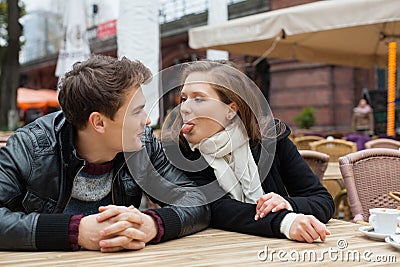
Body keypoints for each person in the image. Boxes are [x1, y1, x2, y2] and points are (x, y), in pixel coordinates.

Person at [0, 55, 209, 252]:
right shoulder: (31, 147)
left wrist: (153, 224)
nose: (147, 121)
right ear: (99, 122)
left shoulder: (143, 144)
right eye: (137, 111)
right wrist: (75, 231)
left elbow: (195, 201)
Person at [162, 60, 335, 243]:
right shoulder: (180, 154)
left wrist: (287, 204)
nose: (184, 108)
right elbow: (217, 210)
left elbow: (322, 200)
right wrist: (285, 221)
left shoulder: (272, 140)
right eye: (183, 98)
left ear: (230, 109)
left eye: (198, 98)